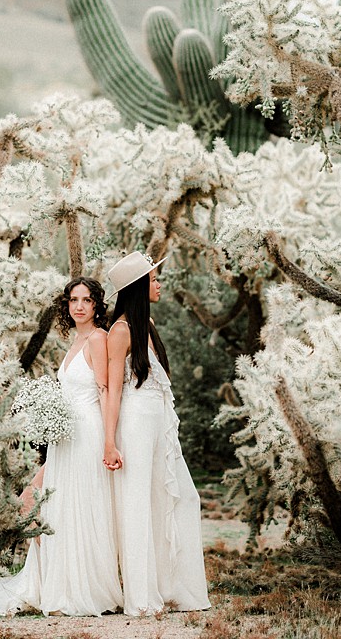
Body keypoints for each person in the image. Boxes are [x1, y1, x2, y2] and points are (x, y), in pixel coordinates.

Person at [0, 277, 123, 616]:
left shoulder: (98, 339)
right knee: (54, 505)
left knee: (80, 505)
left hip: (88, 433)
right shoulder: (75, 340)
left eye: (86, 300)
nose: (78, 306)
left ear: (97, 305)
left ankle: (84, 587)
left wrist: (109, 442)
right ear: (67, 305)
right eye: (73, 300)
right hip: (65, 436)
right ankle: (57, 579)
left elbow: (107, 393)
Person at [103, 251, 211, 616]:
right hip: (134, 425)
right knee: (137, 506)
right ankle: (141, 596)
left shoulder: (146, 327)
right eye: (152, 279)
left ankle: (174, 587)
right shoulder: (120, 332)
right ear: (137, 288)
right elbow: (113, 391)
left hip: (159, 425)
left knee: (179, 498)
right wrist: (110, 442)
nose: (159, 284)